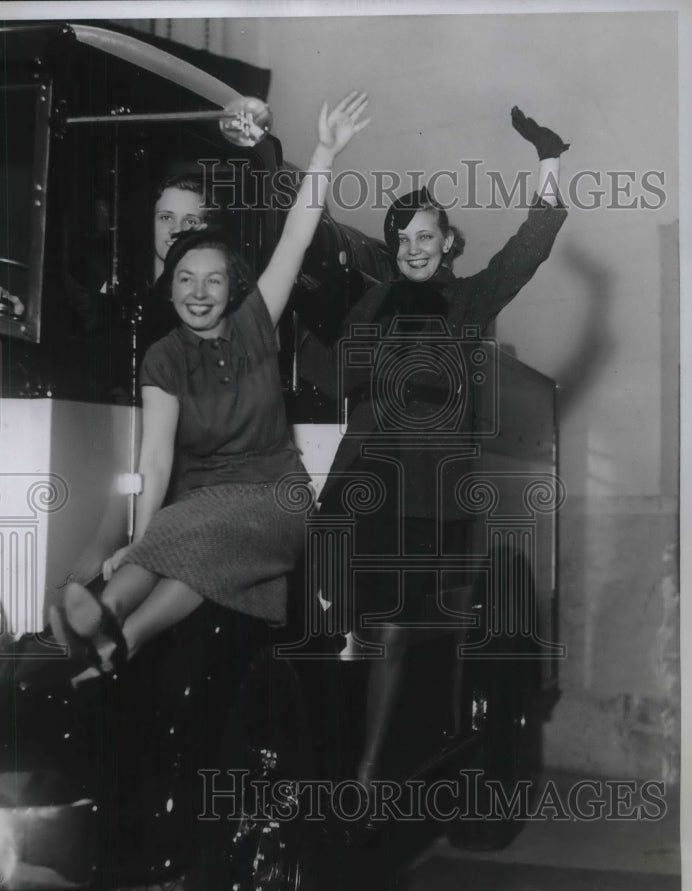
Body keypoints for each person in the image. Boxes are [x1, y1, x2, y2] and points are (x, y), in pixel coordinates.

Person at [48, 92, 371, 673]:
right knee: (183, 537)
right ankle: (108, 630)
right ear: (170, 290)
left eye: (213, 281)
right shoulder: (163, 358)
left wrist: (324, 154)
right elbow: (154, 460)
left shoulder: (255, 323)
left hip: (275, 498)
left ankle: (119, 628)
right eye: (186, 281)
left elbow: (295, 239)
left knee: (192, 532)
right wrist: (137, 539)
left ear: (232, 287)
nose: (199, 293)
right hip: (203, 506)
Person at [299, 106, 570, 792]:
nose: (414, 248)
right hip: (359, 483)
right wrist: (287, 312)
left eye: (426, 236)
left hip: (422, 495)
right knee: (327, 617)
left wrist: (548, 161)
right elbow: (333, 375)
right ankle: (327, 759)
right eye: (403, 238)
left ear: (448, 243)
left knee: (392, 631)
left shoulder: (468, 302)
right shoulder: (374, 303)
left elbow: (530, 248)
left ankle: (368, 773)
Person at [0, 173, 212, 320]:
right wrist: (20, 312)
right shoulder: (116, 281)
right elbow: (74, 321)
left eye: (190, 221)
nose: (176, 229)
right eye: (166, 217)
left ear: (203, 229)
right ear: (149, 222)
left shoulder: (208, 300)